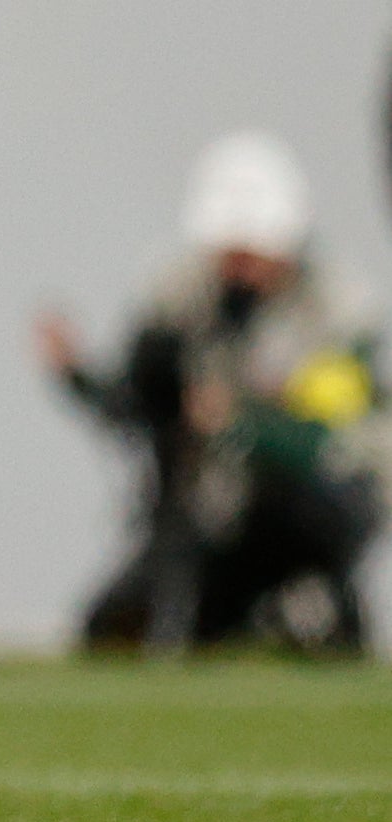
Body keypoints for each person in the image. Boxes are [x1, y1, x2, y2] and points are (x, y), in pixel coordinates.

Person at [44, 133, 382, 657]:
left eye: (253, 254)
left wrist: (240, 421)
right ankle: (254, 617)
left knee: (307, 534)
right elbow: (139, 405)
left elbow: (331, 442)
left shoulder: (337, 310)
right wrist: (77, 378)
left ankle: (309, 601)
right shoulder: (180, 294)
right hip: (217, 513)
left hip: (312, 507)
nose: (238, 270)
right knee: (115, 627)